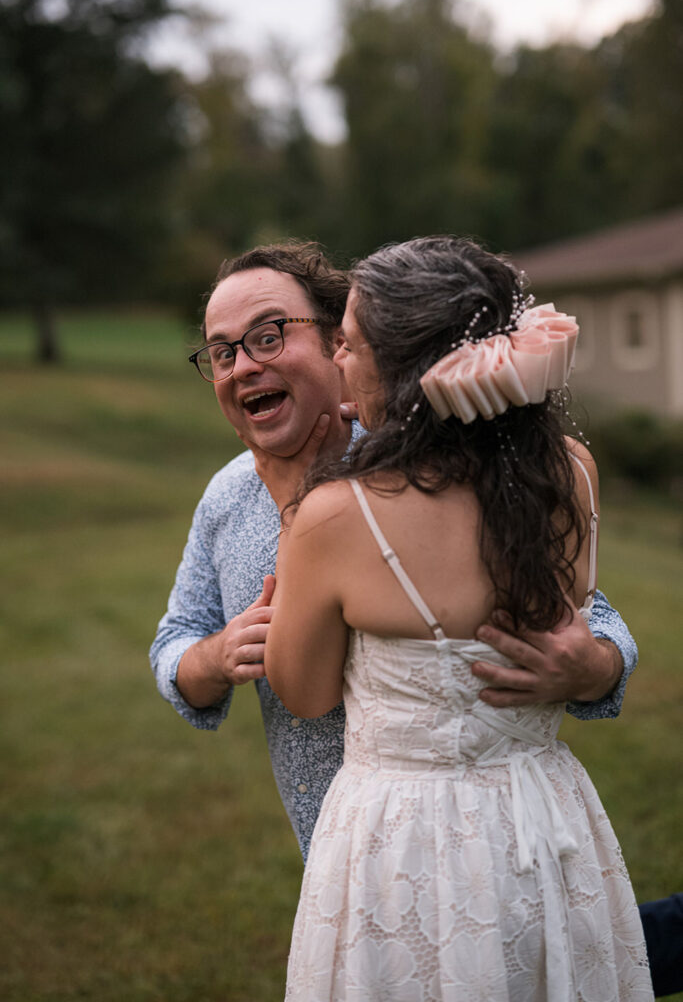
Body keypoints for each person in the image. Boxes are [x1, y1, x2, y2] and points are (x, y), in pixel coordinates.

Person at [150, 241, 637, 866]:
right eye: (221, 352)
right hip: (334, 863)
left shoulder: (444, 464)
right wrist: (211, 659)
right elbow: (177, 636)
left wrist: (599, 667)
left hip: (443, 837)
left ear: (337, 339)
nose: (241, 366)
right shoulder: (225, 496)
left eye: (267, 336)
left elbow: (580, 612)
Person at [263, 236, 653, 1000]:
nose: (338, 361)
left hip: (398, 841)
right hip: (541, 816)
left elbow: (302, 692)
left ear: (405, 371)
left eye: (349, 343)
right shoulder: (570, 471)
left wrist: (295, 506)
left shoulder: (336, 516)